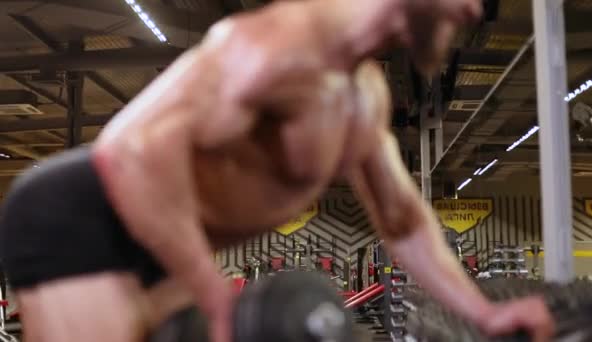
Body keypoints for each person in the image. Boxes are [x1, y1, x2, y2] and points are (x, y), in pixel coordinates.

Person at [0, 0, 555, 341]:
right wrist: (215, 296)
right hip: (84, 213)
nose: (476, 11)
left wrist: (482, 313)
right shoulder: (272, 49)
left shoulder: (363, 95)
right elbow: (135, 160)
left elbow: (404, 223)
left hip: (157, 235)